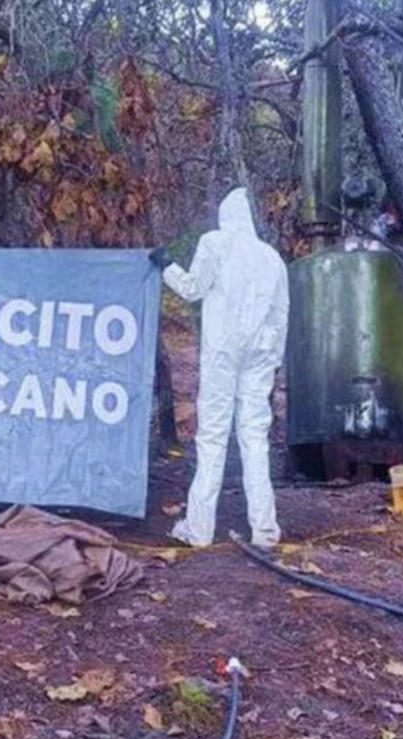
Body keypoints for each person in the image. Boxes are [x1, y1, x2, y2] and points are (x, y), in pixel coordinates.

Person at [150, 187, 290, 548]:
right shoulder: (271, 257)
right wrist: (274, 360)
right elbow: (281, 314)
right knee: (255, 438)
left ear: (224, 217)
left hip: (222, 352)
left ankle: (199, 529)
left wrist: (166, 265)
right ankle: (265, 530)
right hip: (259, 353)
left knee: (212, 437)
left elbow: (194, 289)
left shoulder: (214, 243)